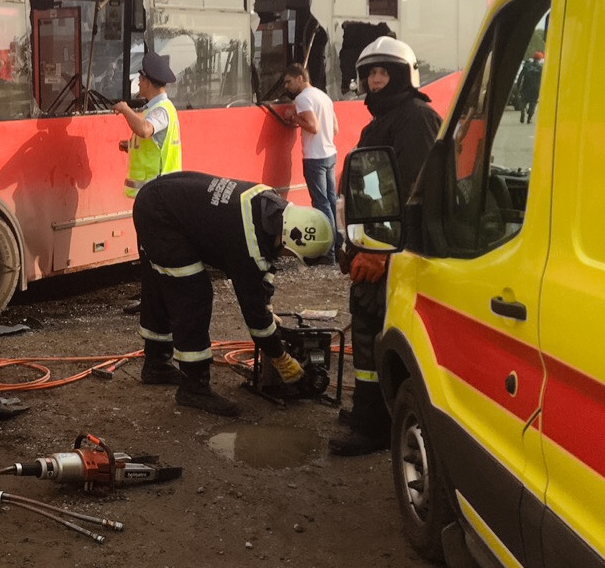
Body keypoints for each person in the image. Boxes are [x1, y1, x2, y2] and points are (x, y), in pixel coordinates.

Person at [132, 171, 334, 416]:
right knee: (192, 293)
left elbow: (266, 263)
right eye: (291, 254)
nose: (287, 258)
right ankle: (194, 386)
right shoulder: (248, 241)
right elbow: (255, 318)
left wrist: (267, 305)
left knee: (161, 280)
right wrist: (280, 357)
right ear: (292, 238)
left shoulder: (271, 205)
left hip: (162, 196)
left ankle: (156, 363)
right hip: (159, 214)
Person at [329, 36, 442, 457]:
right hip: (375, 242)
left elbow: (418, 191)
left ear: (403, 77)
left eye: (384, 73)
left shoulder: (415, 118)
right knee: (367, 333)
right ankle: (369, 410)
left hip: (395, 250)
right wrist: (355, 243)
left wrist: (382, 250)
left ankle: (374, 425)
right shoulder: (384, 120)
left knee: (377, 335)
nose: (376, 81)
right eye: (370, 74)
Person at [283, 63, 339, 263]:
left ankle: (328, 253)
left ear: (300, 78)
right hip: (330, 153)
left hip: (314, 157)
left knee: (321, 203)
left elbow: (313, 127)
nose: (287, 86)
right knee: (331, 202)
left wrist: (294, 116)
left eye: (289, 82)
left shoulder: (303, 98)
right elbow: (335, 128)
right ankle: (338, 248)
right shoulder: (323, 95)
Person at [113, 52, 182, 198]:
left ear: (148, 83)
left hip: (158, 189)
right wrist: (131, 145)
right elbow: (153, 142)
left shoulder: (162, 109)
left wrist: (125, 109)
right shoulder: (153, 109)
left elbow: (145, 130)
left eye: (140, 79)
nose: (138, 83)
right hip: (154, 190)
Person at [516, 51, 544, 123]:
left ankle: (522, 112)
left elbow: (520, 76)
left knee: (523, 101)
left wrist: (518, 85)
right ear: (540, 59)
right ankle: (529, 118)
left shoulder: (526, 66)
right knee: (533, 103)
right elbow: (543, 79)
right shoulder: (540, 68)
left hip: (526, 86)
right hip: (535, 89)